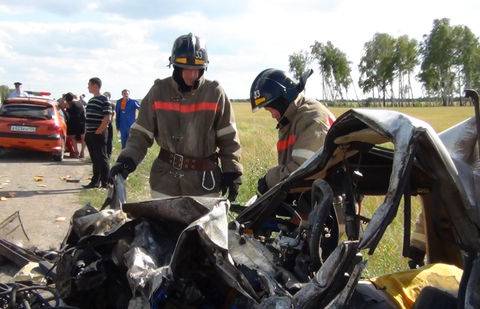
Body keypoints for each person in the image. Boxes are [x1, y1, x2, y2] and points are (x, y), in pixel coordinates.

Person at [109, 33, 242, 201]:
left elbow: (229, 137)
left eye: (197, 69)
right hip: (164, 182)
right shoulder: (159, 91)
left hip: (203, 185)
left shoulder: (214, 93)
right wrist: (126, 161)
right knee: (162, 227)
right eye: (186, 68)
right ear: (174, 66)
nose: (192, 75)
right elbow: (141, 134)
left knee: (202, 228)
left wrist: (232, 171)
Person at [250, 68, 335, 194]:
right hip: (316, 194)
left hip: (330, 200)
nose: (272, 116)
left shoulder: (311, 118)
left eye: (270, 109)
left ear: (281, 101)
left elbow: (302, 172)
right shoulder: (294, 117)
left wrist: (269, 179)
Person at [83, 77, 112, 189]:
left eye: (89, 85)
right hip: (90, 134)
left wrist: (98, 132)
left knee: (102, 158)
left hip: (98, 134)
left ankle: (106, 182)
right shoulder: (91, 100)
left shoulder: (104, 100)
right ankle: (95, 181)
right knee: (95, 159)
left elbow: (107, 118)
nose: (88, 87)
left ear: (95, 85)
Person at [64, 92, 86, 158]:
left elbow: (67, 113)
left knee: (73, 137)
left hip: (73, 123)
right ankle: (82, 152)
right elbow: (84, 112)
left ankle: (76, 152)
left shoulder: (70, 104)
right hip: (82, 122)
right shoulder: (80, 103)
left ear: (68, 99)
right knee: (83, 138)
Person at [103, 92, 114, 158]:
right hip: (102, 123)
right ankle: (104, 153)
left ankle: (108, 154)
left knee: (109, 139)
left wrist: (110, 122)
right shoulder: (103, 103)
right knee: (103, 139)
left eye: (107, 96)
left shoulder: (112, 104)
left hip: (108, 124)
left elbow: (113, 114)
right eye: (105, 95)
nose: (106, 97)